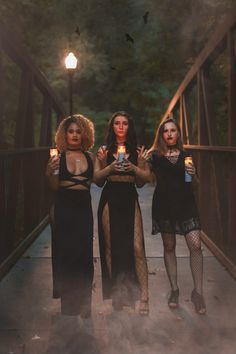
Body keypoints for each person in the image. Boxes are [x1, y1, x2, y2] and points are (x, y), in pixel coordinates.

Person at [93, 111, 150, 316]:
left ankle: (144, 296)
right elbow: (97, 181)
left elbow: (143, 182)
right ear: (112, 127)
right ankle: (117, 293)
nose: (121, 126)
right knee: (110, 246)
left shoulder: (137, 150)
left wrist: (137, 164)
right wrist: (108, 165)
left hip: (129, 196)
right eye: (117, 123)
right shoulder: (103, 151)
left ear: (129, 127)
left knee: (137, 247)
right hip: (110, 197)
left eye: (125, 123)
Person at [149, 116, 206, 314]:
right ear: (161, 134)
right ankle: (174, 289)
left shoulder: (186, 156)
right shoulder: (154, 156)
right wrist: (141, 162)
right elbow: (145, 179)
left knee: (196, 245)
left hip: (186, 205)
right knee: (169, 246)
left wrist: (194, 174)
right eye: (166, 131)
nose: (170, 134)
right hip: (164, 206)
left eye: (173, 130)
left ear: (178, 133)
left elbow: (195, 186)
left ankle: (198, 293)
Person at [46, 114, 95, 317]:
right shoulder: (57, 157)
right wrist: (49, 172)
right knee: (65, 254)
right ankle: (68, 305)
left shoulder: (91, 157)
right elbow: (54, 187)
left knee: (84, 254)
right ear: (64, 135)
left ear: (84, 134)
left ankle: (85, 304)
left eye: (78, 131)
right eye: (71, 131)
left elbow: (98, 180)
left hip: (84, 208)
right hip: (64, 207)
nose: (74, 135)